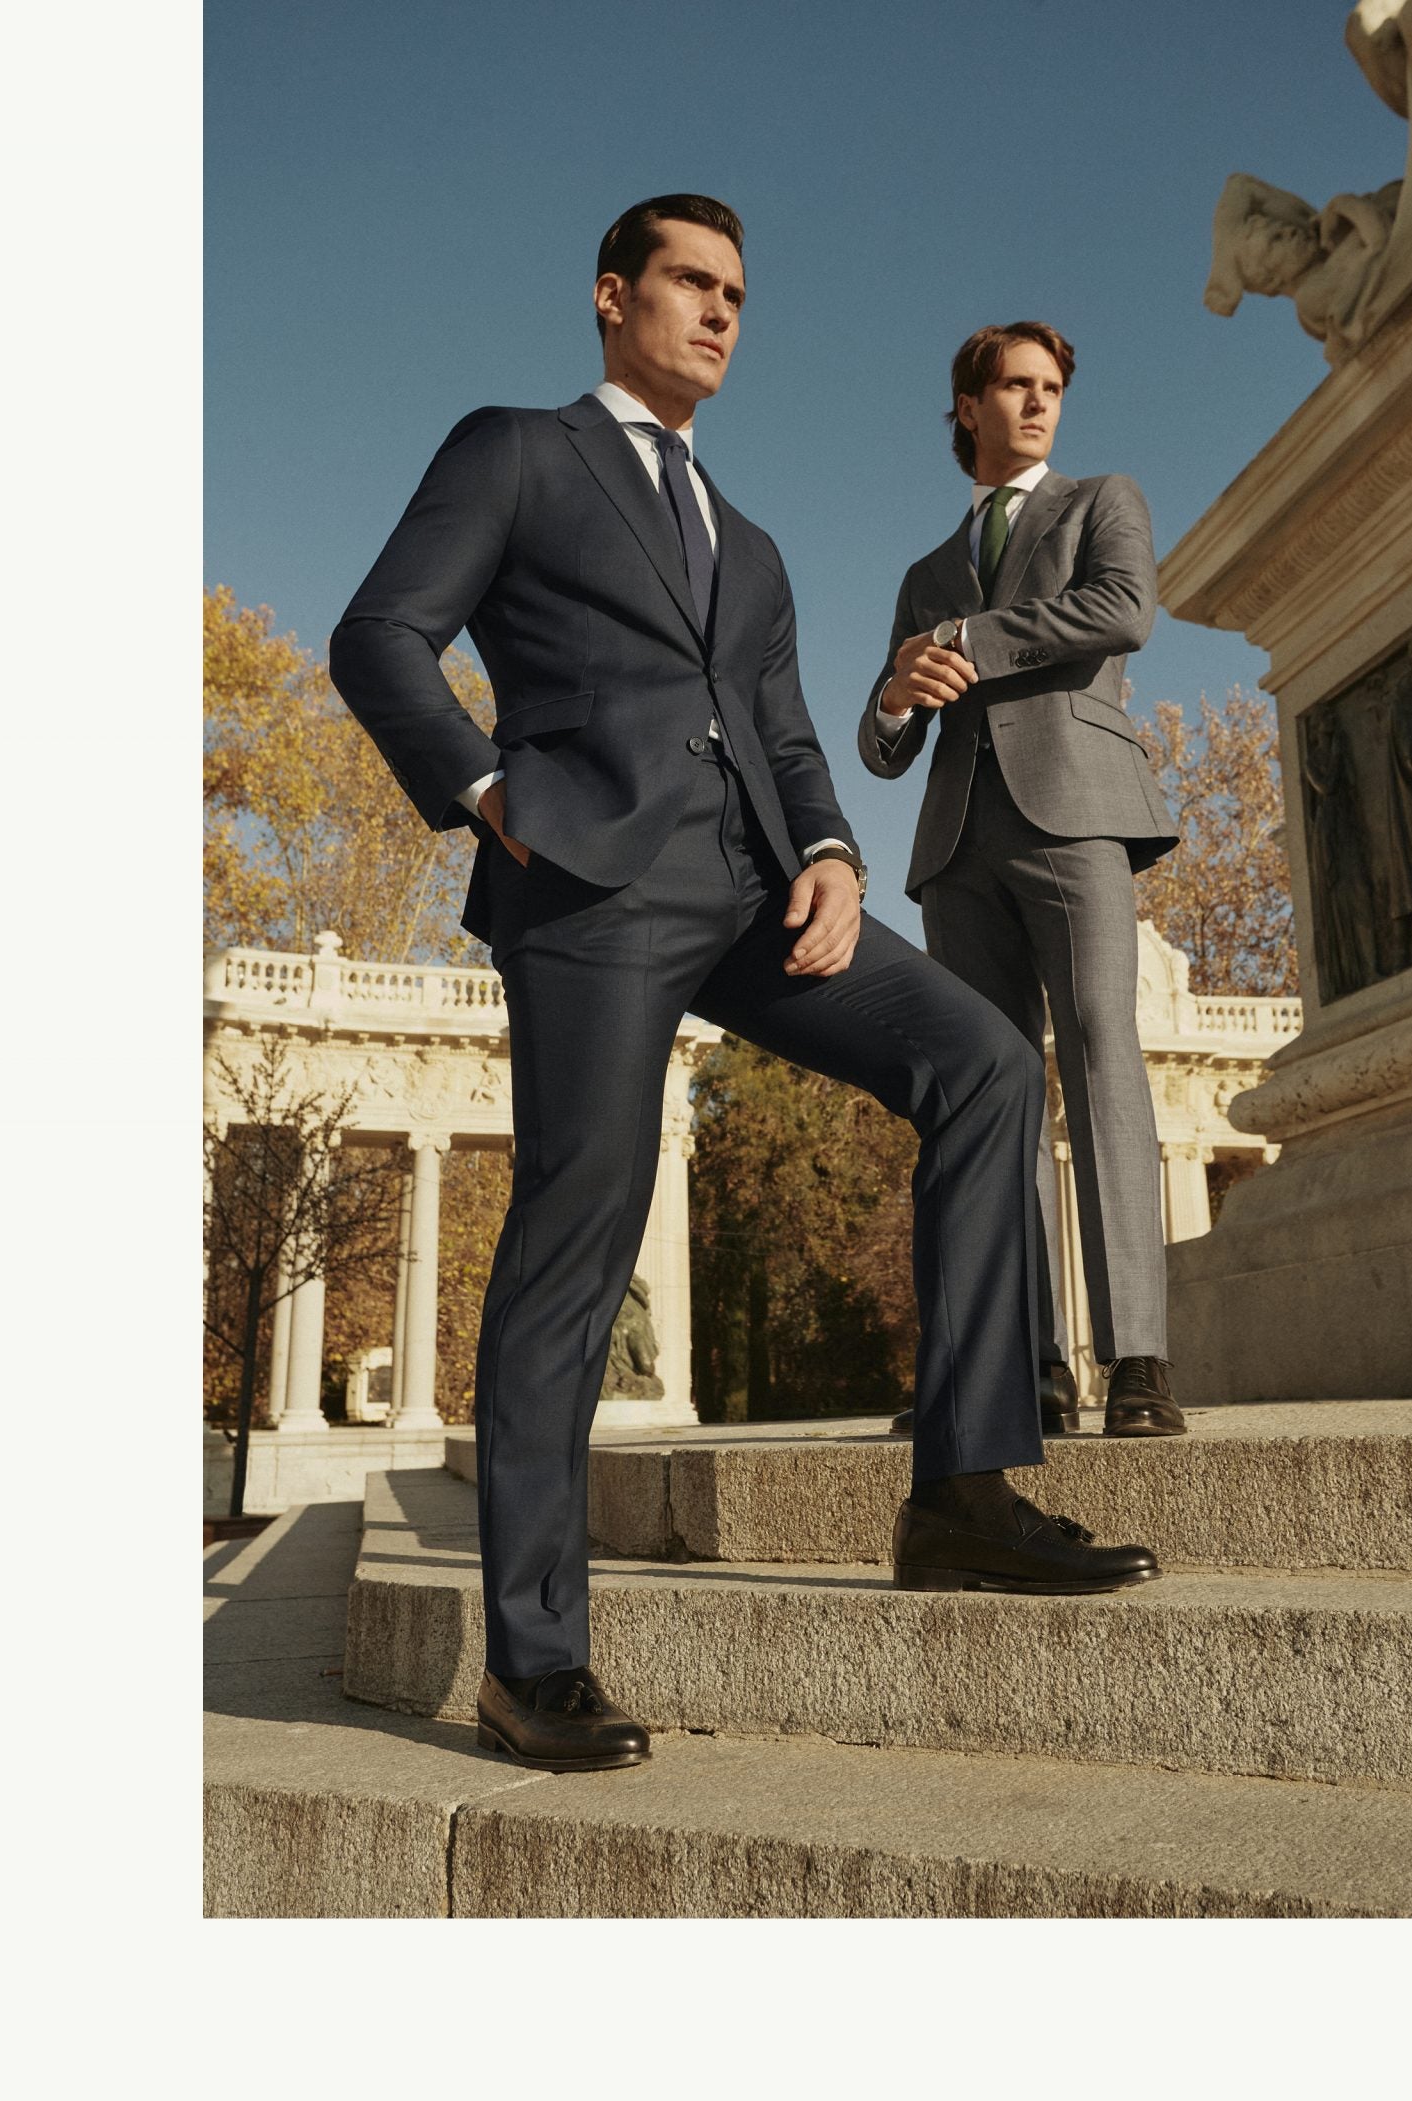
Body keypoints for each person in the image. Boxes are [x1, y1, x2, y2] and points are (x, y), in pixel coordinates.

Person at [329, 199, 1159, 1775]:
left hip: (759, 895)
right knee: (581, 1219)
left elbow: (783, 734)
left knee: (986, 1062)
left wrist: (834, 853)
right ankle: (534, 1658)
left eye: (737, 294)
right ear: (612, 295)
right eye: (691, 283)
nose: (720, 312)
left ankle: (962, 1490)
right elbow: (378, 635)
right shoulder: (517, 451)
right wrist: (490, 791)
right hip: (591, 886)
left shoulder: (753, 545)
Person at [857, 322, 1188, 1440]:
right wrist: (895, 692)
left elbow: (1122, 612)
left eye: (1051, 387)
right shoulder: (922, 574)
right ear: (969, 406)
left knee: (1100, 1053)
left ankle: (1136, 1361)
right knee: (989, 1087)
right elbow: (884, 746)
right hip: (957, 845)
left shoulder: (1101, 503)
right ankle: (1026, 1364)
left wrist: (969, 640)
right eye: (1015, 385)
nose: (1039, 402)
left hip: (1077, 816)